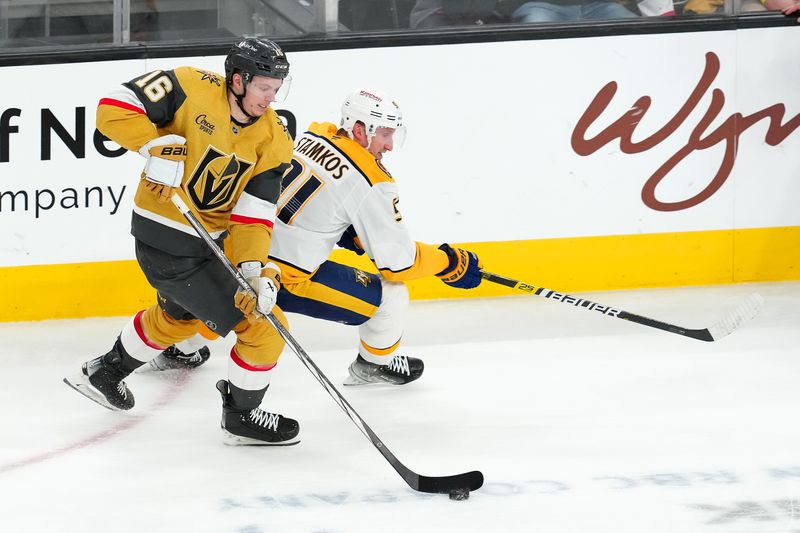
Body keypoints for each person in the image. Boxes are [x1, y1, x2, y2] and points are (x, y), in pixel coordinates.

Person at [154, 89, 485, 386]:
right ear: (359, 130)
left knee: (221, 298)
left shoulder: (314, 136)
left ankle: (177, 347)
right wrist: (449, 262)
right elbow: (397, 263)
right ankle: (375, 364)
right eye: (384, 134)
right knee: (392, 297)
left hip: (236, 253)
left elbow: (312, 202)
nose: (389, 145)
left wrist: (348, 232)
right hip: (283, 277)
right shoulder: (372, 180)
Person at [63, 37, 300, 446]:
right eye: (264, 87)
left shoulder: (273, 139)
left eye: (277, 89)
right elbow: (114, 107)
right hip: (166, 238)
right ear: (239, 80)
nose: (270, 98)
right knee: (265, 329)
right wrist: (151, 144)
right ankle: (240, 417)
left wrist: (250, 269)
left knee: (181, 317)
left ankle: (105, 372)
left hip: (211, 243)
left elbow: (253, 215)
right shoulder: (190, 85)